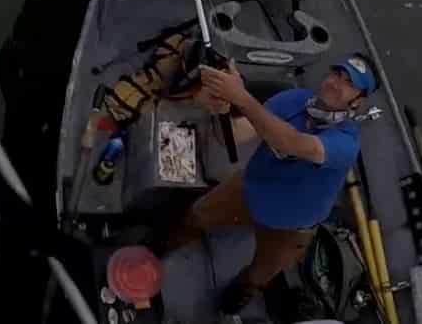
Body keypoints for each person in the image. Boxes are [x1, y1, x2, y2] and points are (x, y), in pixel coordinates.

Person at [162, 52, 378, 314]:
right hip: (249, 189)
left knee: (261, 272)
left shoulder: (346, 143)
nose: (336, 83)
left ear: (358, 101)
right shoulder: (293, 99)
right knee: (196, 215)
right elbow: (234, 135)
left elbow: (292, 143)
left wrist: (242, 97)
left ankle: (235, 298)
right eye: (337, 73)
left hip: (291, 224)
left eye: (349, 84)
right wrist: (223, 109)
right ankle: (166, 249)